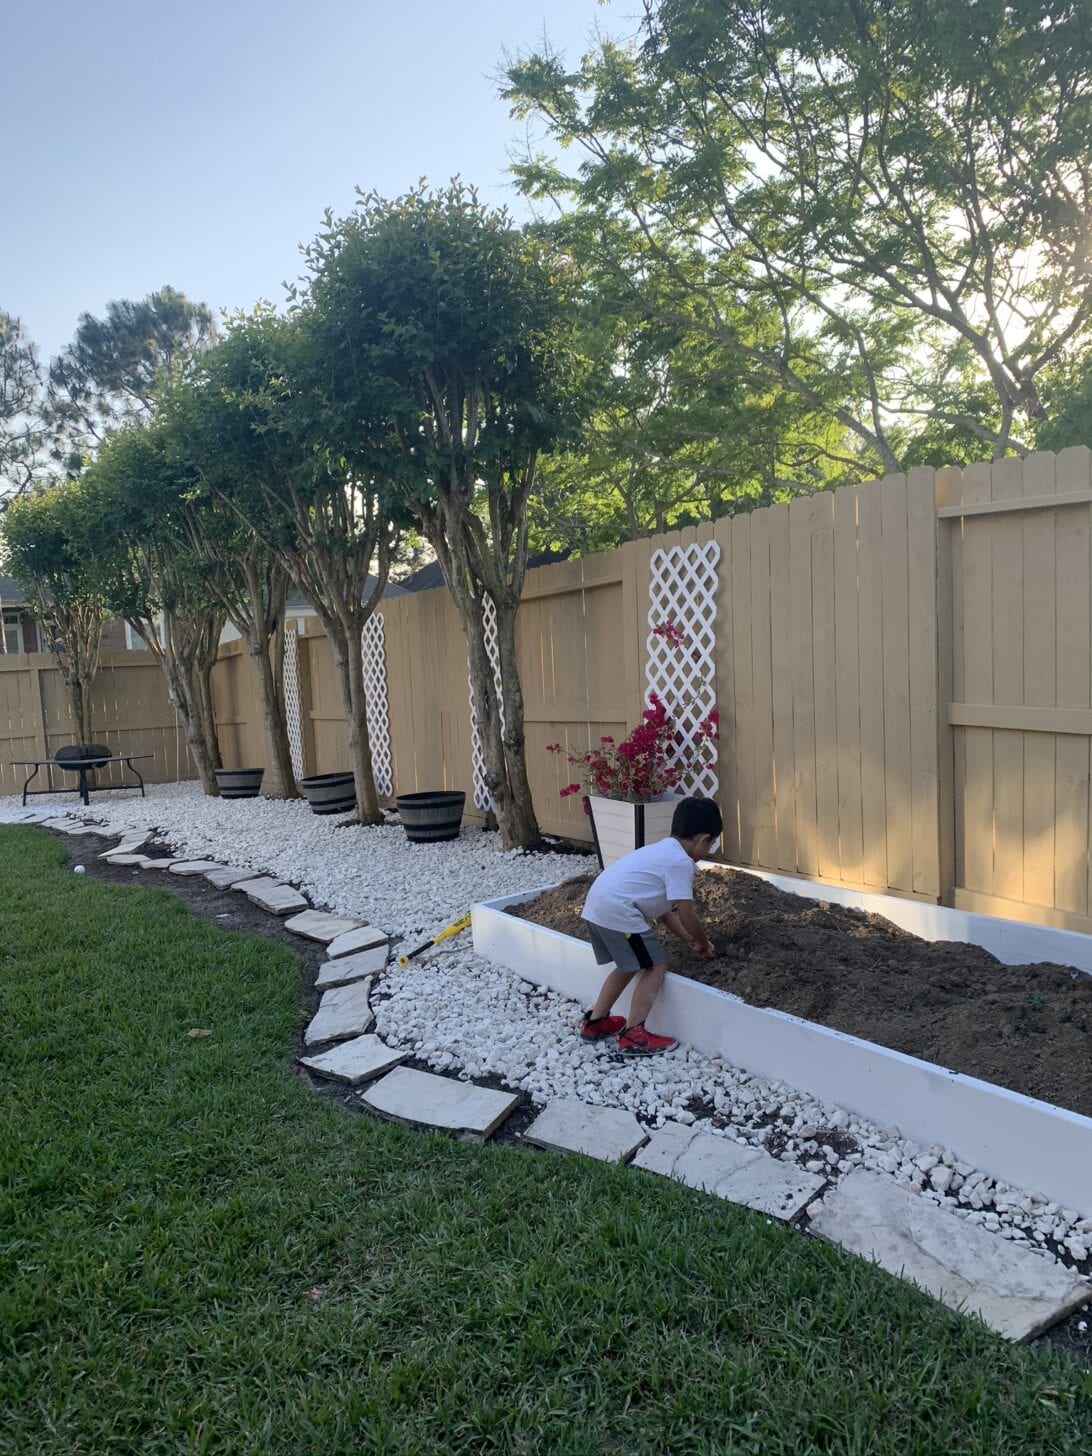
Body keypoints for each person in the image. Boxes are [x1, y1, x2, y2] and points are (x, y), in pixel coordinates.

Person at [580, 796, 722, 1055]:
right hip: (620, 913)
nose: (708, 851)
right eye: (710, 844)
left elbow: (664, 912)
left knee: (628, 964)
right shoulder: (681, 863)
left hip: (597, 907)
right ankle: (634, 1034)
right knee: (656, 964)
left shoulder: (660, 850)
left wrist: (687, 940)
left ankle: (595, 1022)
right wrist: (702, 942)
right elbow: (687, 913)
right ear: (704, 839)